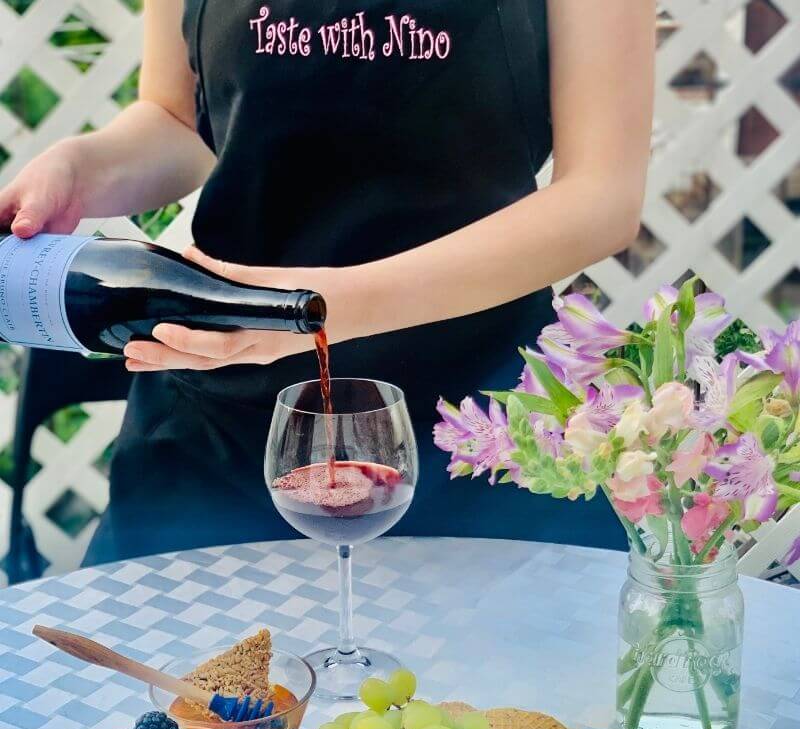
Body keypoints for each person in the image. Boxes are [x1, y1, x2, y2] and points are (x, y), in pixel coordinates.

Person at [0, 1, 655, 563]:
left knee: (497, 710)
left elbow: (601, 196)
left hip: (479, 432)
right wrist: (79, 166)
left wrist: (318, 310)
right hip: (215, 428)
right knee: (172, 704)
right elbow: (177, 120)